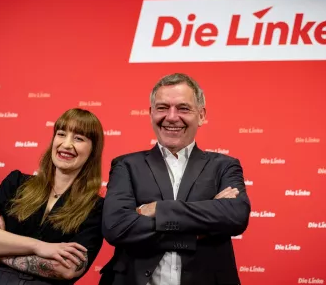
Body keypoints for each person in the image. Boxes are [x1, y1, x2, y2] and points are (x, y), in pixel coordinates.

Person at [99, 73, 251, 285]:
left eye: (183, 108)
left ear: (201, 115)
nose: (171, 117)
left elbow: (235, 216)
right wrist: (198, 225)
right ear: (151, 113)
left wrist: (158, 210)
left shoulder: (224, 165)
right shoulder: (126, 165)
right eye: (162, 108)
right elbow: (118, 227)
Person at [0, 108, 105, 284]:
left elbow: (66, 269)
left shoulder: (96, 207)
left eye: (78, 139)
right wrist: (40, 247)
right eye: (61, 134)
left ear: (93, 150)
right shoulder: (17, 183)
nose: (67, 144)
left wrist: (1, 250)